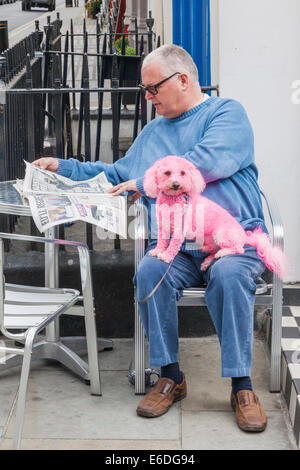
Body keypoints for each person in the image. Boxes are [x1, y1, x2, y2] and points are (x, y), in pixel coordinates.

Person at [33, 44, 268, 432]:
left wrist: (146, 183)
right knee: (148, 272)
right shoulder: (154, 131)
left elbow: (204, 163)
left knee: (228, 276)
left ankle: (242, 386)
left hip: (233, 241)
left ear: (183, 80)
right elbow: (115, 173)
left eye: (152, 88)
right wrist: (65, 166)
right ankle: (171, 375)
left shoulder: (226, 113)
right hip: (176, 244)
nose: (147, 97)